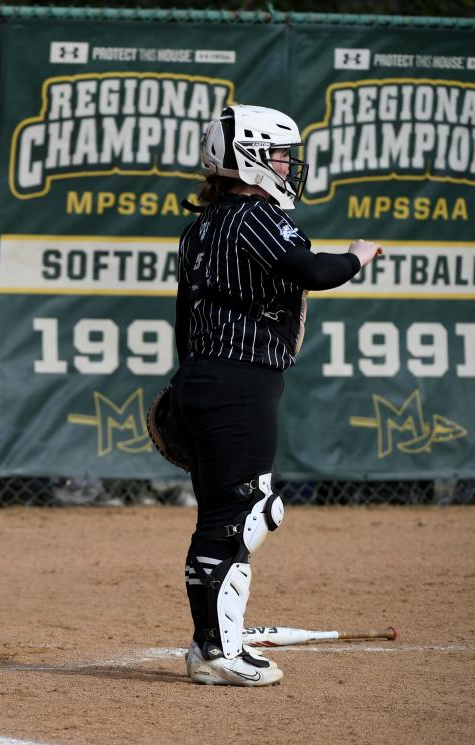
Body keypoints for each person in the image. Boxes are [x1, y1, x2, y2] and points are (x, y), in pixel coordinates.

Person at [171, 105, 381, 686]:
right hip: (237, 380)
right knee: (245, 512)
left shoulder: (204, 224)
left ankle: (212, 643)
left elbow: (185, 316)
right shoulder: (252, 216)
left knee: (228, 514)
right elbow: (313, 270)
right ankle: (218, 650)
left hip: (207, 377)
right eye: (281, 155)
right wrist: (358, 255)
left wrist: (189, 383)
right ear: (252, 158)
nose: (289, 166)